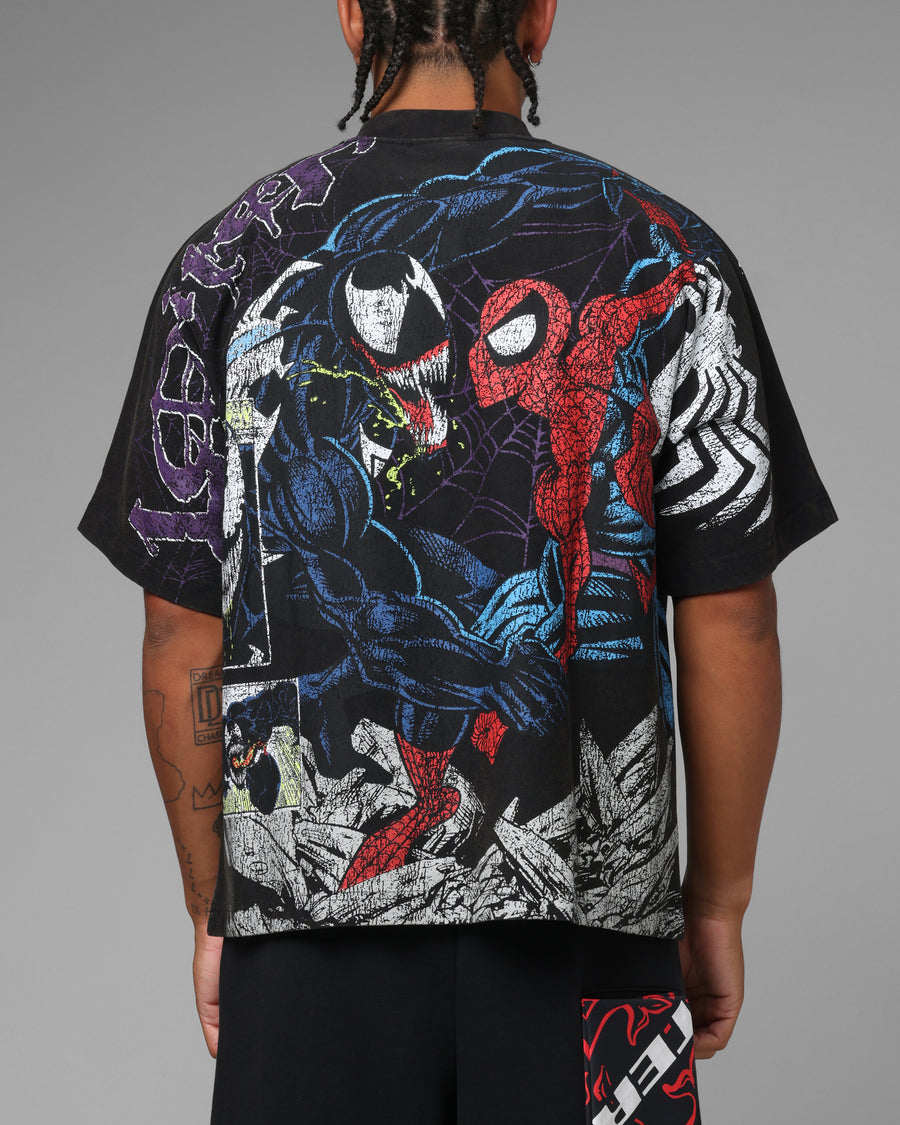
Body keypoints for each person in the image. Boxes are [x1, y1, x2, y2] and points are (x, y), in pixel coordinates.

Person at [78, 1, 838, 1121]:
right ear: (541, 14)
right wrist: (716, 901)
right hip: (590, 926)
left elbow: (177, 627)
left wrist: (216, 905)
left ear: (352, 15)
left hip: (307, 929)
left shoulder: (226, 264)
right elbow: (734, 619)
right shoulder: (671, 251)